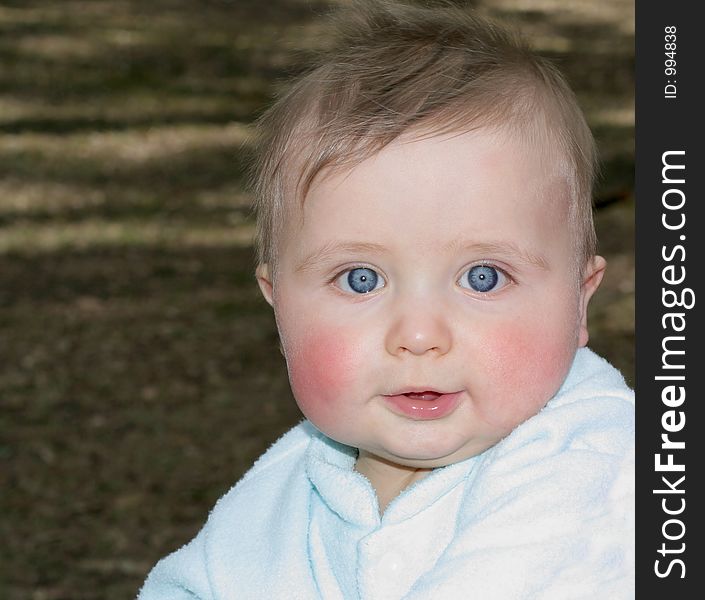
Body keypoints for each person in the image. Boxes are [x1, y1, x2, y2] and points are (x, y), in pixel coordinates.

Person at [138, 1, 634, 598]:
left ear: (578, 303)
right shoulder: (287, 486)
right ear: (278, 306)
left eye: (482, 277)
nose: (419, 334)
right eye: (360, 280)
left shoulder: (597, 468)